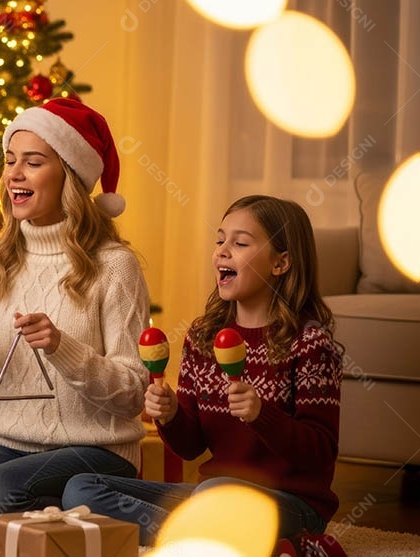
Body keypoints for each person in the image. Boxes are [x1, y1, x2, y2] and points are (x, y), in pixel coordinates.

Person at [62, 195, 343, 550]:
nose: (223, 251)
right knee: (81, 488)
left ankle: (261, 538)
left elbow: (319, 454)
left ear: (281, 263)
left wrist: (262, 415)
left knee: (213, 492)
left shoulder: (309, 344)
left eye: (240, 243)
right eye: (220, 240)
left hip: (293, 504)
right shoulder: (203, 337)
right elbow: (191, 447)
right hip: (211, 496)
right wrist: (171, 414)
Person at [0, 98, 150, 512]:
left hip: (95, 446)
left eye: (33, 162)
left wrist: (62, 347)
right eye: (10, 161)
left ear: (70, 175)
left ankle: (91, 506)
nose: (14, 174)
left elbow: (133, 394)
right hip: (8, 442)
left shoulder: (114, 264)